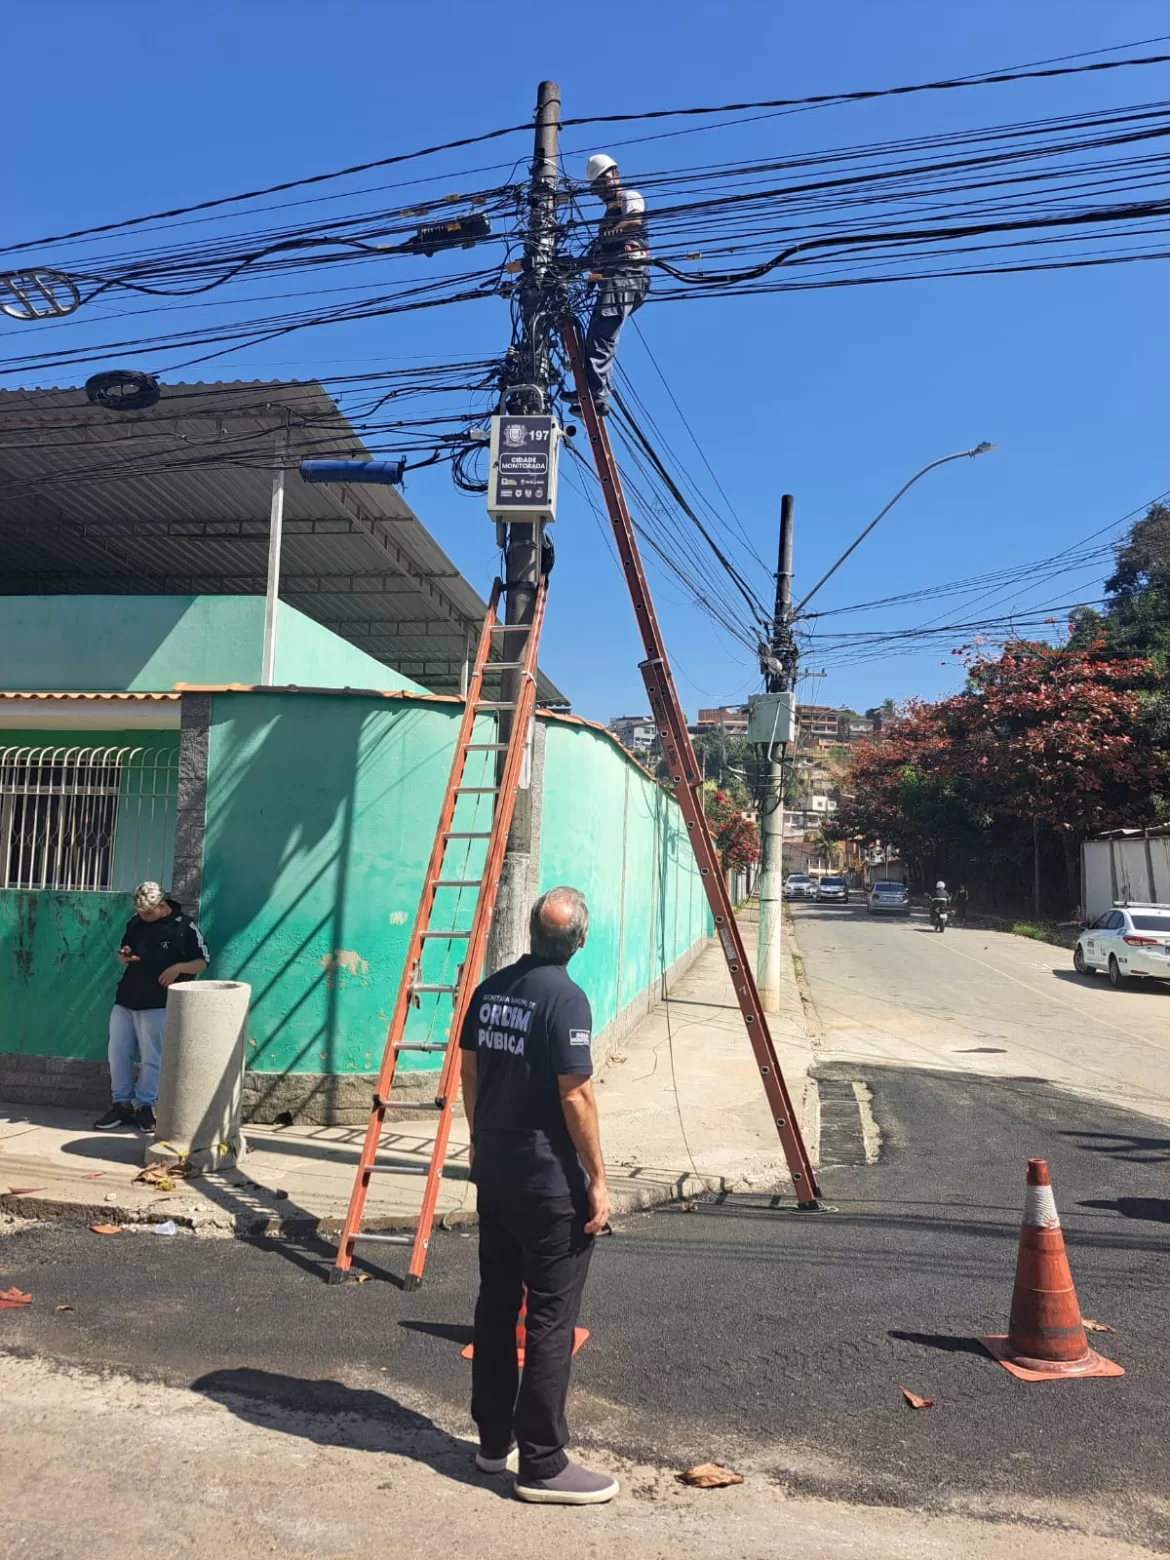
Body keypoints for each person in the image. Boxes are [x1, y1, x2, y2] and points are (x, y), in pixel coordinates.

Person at [459, 885, 617, 1506]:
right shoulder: (567, 998)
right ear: (579, 940)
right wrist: (598, 1178)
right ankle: (543, 1462)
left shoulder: (490, 989)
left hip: (495, 1174)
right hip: (548, 1185)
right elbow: (575, 1095)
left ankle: (493, 1442)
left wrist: (479, 1138)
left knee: (497, 1306)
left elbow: (469, 1070)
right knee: (551, 1318)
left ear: (531, 931)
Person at [93, 881, 209, 1133]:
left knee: (151, 1058)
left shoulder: (184, 927)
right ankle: (121, 1104)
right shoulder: (136, 922)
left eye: (147, 912)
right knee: (117, 1055)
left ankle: (145, 1106)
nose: (143, 916)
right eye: (140, 912)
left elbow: (202, 961)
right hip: (126, 999)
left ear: (161, 905)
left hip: (157, 1003)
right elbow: (125, 950)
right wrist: (124, 955)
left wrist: (177, 968)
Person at [569, 154, 650, 417]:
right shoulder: (606, 216)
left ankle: (596, 393)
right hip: (613, 277)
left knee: (603, 331)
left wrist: (611, 232)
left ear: (615, 174)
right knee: (595, 333)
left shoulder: (630, 197)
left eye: (603, 183)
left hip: (628, 274)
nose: (601, 191)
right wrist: (588, 273)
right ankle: (589, 390)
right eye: (596, 188)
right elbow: (598, 257)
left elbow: (634, 221)